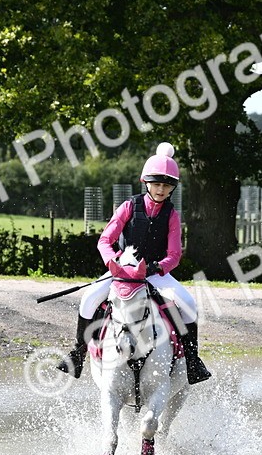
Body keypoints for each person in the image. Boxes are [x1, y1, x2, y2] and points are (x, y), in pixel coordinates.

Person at [56, 142, 211, 384]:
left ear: (172, 188)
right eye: (157, 184)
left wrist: (157, 267)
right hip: (122, 271)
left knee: (189, 304)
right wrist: (113, 262)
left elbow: (174, 255)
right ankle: (77, 354)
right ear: (146, 182)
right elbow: (105, 240)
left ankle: (192, 361)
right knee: (88, 299)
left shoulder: (171, 215)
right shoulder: (129, 206)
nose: (161, 189)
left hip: (154, 274)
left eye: (167, 185)